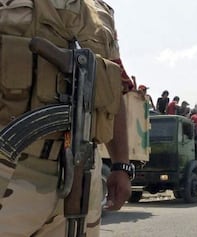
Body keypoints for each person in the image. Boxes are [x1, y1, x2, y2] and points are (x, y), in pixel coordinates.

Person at [0, 0, 133, 236]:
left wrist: (121, 164)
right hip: (10, 166)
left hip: (81, 171)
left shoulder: (99, 12)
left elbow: (113, 92)